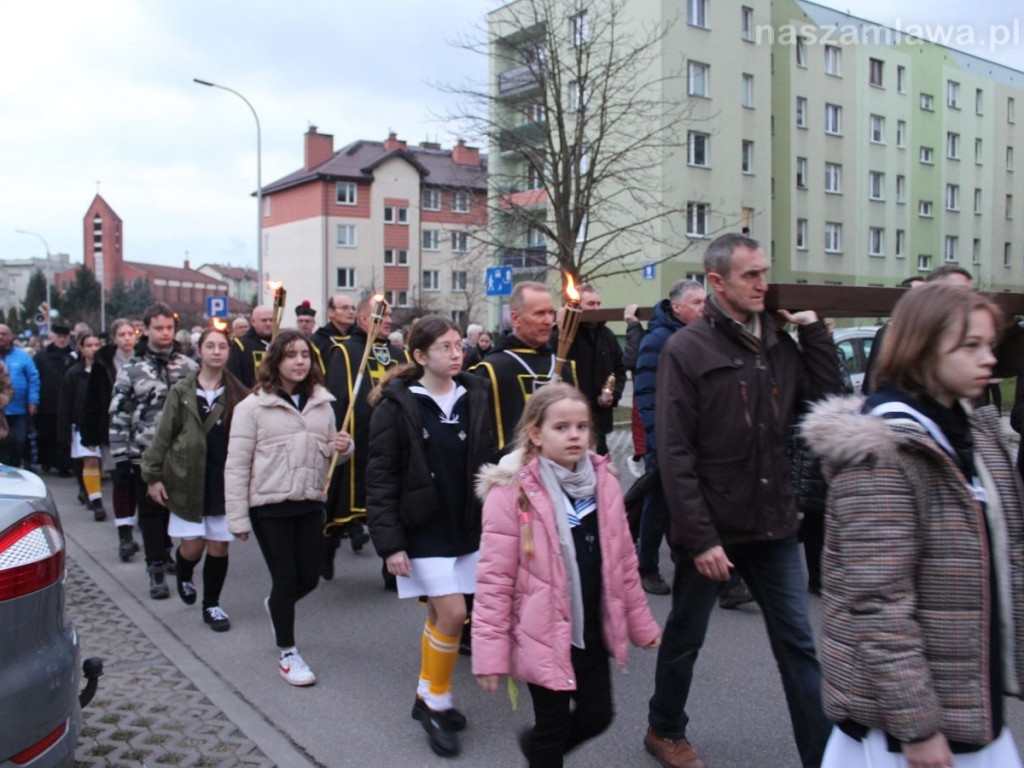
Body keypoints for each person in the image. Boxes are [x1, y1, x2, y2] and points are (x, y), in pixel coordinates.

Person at [803, 282, 1024, 768]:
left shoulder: (971, 437)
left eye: (990, 344)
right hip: (904, 733)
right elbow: (880, 602)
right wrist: (917, 727)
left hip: (972, 708)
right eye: (970, 346)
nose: (988, 358)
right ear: (923, 348)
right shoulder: (882, 452)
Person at [645, 233, 842, 768]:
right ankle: (664, 728)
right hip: (713, 527)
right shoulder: (687, 349)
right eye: (750, 275)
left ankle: (823, 756)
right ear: (716, 282)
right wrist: (701, 537)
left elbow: (826, 404)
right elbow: (675, 452)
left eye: (764, 272)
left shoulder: (780, 343)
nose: (763, 283)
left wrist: (815, 333)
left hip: (774, 522)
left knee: (798, 646)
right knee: (686, 639)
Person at [473, 384, 661, 768]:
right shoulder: (510, 495)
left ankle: (540, 750)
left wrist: (641, 625)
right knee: (552, 727)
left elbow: (623, 562)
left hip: (590, 631)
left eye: (581, 426)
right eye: (561, 427)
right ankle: (544, 753)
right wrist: (490, 654)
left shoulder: (604, 484)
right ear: (536, 434)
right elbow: (494, 582)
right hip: (540, 635)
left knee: (598, 715)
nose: (575, 435)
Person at [365, 315, 498, 757]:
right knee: (455, 615)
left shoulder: (475, 393)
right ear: (420, 356)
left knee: (440, 618)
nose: (457, 353)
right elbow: (380, 477)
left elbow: (488, 458)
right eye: (446, 347)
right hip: (422, 530)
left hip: (467, 527)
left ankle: (427, 698)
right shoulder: (397, 404)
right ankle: (437, 702)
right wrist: (390, 544)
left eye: (459, 345)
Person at [224, 329, 352, 686]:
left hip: (310, 502)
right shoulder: (252, 406)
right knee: (285, 579)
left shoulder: (322, 403)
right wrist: (236, 517)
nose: (299, 361)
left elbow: (331, 457)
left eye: (305, 355)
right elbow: (236, 463)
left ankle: (278, 605)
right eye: (291, 355)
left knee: (308, 579)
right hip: (270, 506)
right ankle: (288, 652)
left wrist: (344, 447)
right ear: (276, 361)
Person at [141, 328, 249, 632]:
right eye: (210, 346)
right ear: (199, 351)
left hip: (221, 480)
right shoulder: (182, 391)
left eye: (222, 346)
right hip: (188, 479)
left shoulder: (238, 392)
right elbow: (164, 434)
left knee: (219, 547)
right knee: (193, 546)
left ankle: (211, 604)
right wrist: (152, 476)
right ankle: (185, 571)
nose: (216, 351)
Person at [109, 303, 199, 599]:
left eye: (169, 328)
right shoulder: (132, 370)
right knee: (150, 510)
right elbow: (119, 413)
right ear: (145, 330)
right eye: (158, 328)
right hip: (144, 453)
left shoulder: (188, 367)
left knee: (173, 510)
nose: (164, 333)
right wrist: (121, 455)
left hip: (182, 454)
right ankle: (156, 568)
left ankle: (168, 552)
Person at [322, 298, 408, 580]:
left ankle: (390, 569)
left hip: (392, 438)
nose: (389, 320)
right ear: (363, 320)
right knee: (344, 497)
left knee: (392, 502)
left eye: (390, 315)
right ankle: (327, 547)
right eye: (382, 315)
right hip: (358, 438)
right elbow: (337, 397)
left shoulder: (398, 354)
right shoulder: (344, 352)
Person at [632, 279, 705, 597]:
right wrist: (656, 440)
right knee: (658, 504)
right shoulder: (658, 339)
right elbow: (646, 392)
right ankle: (646, 566)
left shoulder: (701, 336)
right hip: (664, 439)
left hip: (693, 439)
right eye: (698, 303)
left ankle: (694, 562)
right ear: (677, 307)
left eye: (706, 301)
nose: (705, 308)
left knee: (695, 501)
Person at [472, 282, 577, 453]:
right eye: (539, 313)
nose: (548, 320)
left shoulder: (563, 367)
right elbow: (481, 439)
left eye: (551, 312)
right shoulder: (491, 370)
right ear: (515, 318)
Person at [82, 318, 141, 560]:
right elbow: (93, 400)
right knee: (120, 479)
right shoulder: (103, 364)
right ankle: (124, 535)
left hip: (142, 430)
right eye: (122, 334)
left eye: (131, 333)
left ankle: (139, 525)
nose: (127, 338)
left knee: (140, 482)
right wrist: (90, 434)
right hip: (113, 429)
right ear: (115, 338)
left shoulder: (144, 360)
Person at [561, 285, 626, 456]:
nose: (596, 308)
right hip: (570, 420)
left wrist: (613, 394)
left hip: (599, 419)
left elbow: (619, 370)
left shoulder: (608, 336)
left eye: (598, 303)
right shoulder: (564, 336)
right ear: (578, 305)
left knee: (599, 469)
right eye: (591, 304)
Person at [58, 332, 106, 521]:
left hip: (105, 423)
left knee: (101, 462)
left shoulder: (106, 371)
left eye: (97, 344)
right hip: (83, 423)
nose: (93, 348)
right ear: (81, 349)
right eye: (89, 345)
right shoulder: (74, 374)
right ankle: (97, 502)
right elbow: (66, 402)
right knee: (90, 460)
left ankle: (90, 491)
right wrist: (64, 428)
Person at [34, 324, 74, 475]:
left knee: (63, 435)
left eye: (65, 337)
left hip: (66, 402)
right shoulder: (41, 356)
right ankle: (46, 461)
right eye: (59, 337)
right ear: (53, 337)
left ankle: (63, 464)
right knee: (46, 434)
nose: (62, 340)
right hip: (47, 401)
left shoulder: (73, 356)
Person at [0, 324, 39, 468]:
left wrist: (32, 401)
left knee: (18, 441)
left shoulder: (23, 356)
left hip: (18, 409)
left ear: (10, 336)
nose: (1, 337)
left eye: (4, 334)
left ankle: (15, 467)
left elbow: (33, 379)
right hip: (0, 413)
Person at [227, 305, 273, 388]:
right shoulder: (240, 345)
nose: (268, 323)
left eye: (271, 320)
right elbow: (234, 377)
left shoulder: (279, 342)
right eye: (264, 320)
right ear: (253, 322)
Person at [312, 293, 357, 371]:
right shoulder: (317, 341)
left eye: (353, 308)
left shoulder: (358, 338)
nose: (351, 312)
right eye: (345, 308)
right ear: (331, 312)